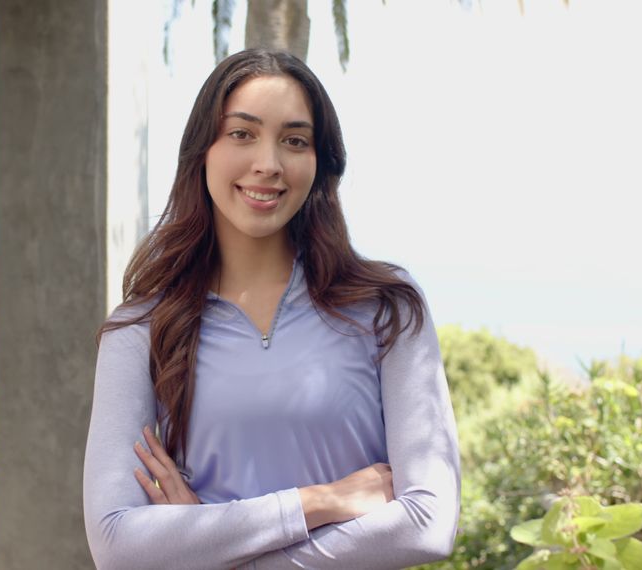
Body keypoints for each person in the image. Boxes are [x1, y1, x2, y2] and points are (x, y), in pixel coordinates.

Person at [83, 49, 460, 570]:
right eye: (242, 133)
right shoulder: (142, 328)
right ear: (203, 151)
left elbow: (428, 524)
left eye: (295, 141)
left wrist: (207, 542)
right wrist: (320, 501)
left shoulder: (386, 308)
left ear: (319, 162)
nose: (269, 163)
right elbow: (117, 543)